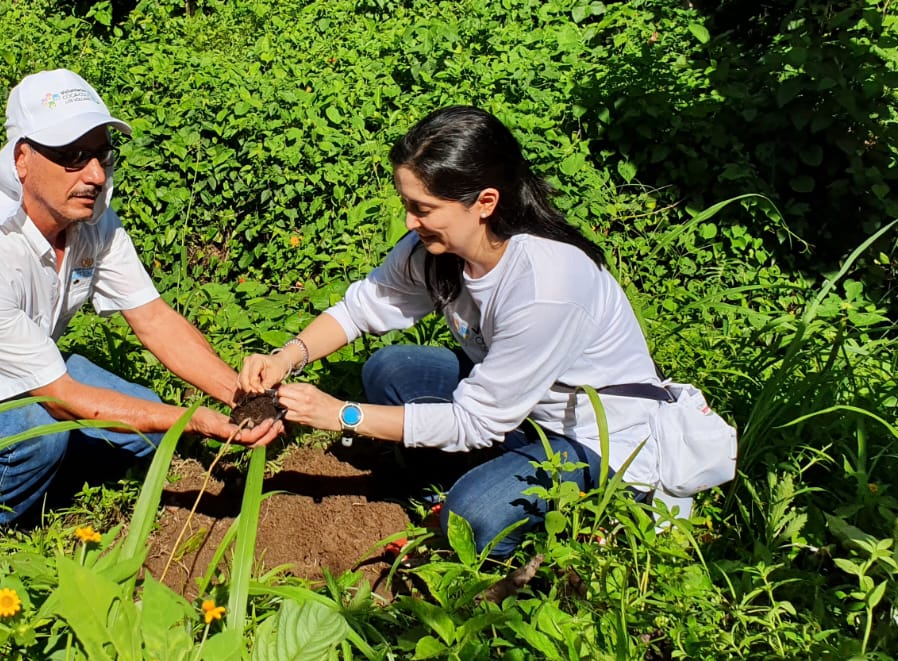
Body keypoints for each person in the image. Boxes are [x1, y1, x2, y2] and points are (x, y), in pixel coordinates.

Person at [239, 105, 674, 558]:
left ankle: (564, 518)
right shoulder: (434, 250)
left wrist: (342, 415)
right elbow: (362, 308)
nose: (410, 221)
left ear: (485, 203)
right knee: (393, 368)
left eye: (423, 209)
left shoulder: (548, 286)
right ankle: (485, 472)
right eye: (407, 204)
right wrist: (285, 357)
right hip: (518, 410)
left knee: (473, 520)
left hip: (594, 438)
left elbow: (475, 420)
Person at [0, 68, 281, 531]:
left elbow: (154, 320)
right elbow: (61, 396)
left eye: (102, 154)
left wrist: (242, 398)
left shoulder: (92, 221)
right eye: (72, 156)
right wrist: (193, 421)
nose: (94, 175)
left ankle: (45, 479)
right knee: (35, 437)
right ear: (21, 159)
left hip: (28, 373)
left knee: (144, 435)